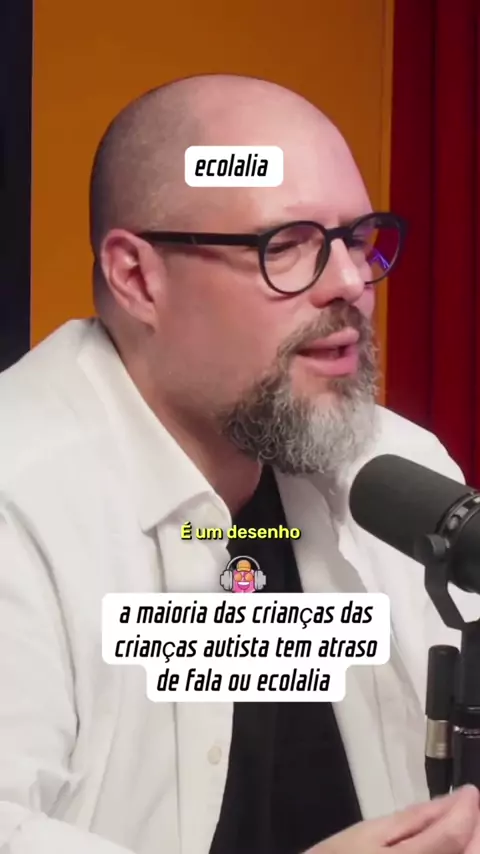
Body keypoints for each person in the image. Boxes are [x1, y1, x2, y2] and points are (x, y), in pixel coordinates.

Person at [0, 73, 477, 854]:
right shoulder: (18, 494)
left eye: (358, 239)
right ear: (138, 278)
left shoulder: (397, 468)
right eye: (285, 246)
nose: (350, 284)